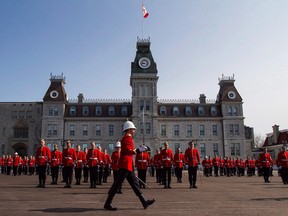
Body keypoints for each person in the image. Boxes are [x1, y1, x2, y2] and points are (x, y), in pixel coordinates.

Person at [104, 120, 155, 211]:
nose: (134, 131)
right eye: (133, 129)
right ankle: (108, 203)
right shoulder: (127, 138)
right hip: (125, 164)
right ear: (129, 129)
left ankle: (144, 201)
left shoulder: (128, 138)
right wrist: (140, 150)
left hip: (128, 164)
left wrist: (139, 149)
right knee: (117, 184)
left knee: (134, 184)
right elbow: (129, 151)